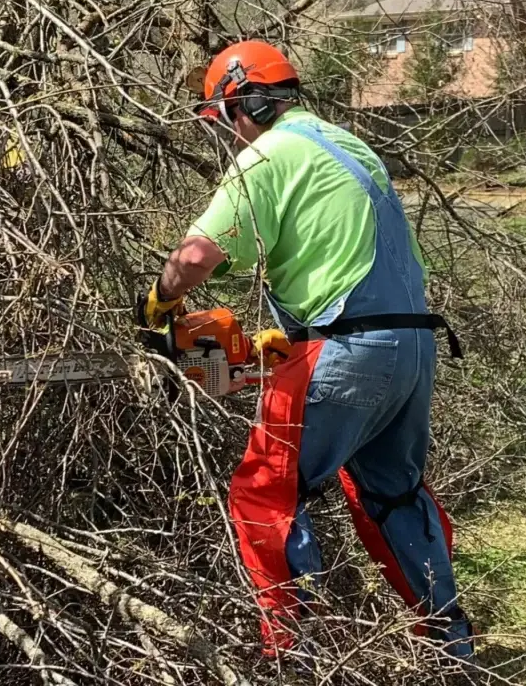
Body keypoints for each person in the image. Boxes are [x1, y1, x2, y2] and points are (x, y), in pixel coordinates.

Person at [139, 40, 474, 660]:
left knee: (266, 494)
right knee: (392, 494)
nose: (230, 135)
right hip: (411, 348)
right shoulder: (348, 144)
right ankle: (450, 643)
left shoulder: (268, 156)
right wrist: (285, 345)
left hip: (349, 351)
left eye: (227, 118)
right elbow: (341, 258)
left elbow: (195, 259)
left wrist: (158, 306)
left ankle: (293, 656)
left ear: (244, 103)